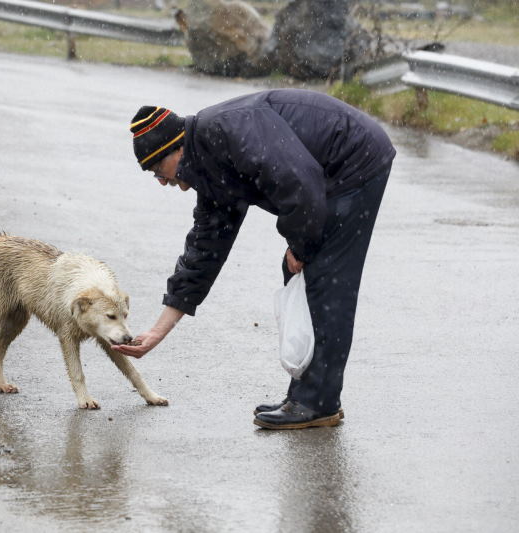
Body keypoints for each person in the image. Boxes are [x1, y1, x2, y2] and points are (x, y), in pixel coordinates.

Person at [112, 89, 396, 430]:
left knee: (325, 277)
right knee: (300, 273)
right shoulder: (209, 163)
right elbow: (204, 250)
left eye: (159, 169)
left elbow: (300, 186)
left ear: (177, 149)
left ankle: (318, 402)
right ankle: (307, 395)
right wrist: (158, 331)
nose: (162, 181)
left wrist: (301, 247)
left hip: (354, 160)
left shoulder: (229, 130)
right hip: (328, 174)